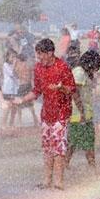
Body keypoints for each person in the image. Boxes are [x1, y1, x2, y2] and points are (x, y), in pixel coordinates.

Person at [18, 38, 76, 189]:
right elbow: (37, 91)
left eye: (41, 55)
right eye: (37, 55)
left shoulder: (62, 67)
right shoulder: (38, 68)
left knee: (59, 149)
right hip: (46, 114)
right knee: (47, 148)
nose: (39, 58)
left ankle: (59, 182)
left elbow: (72, 89)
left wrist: (61, 88)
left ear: (50, 53)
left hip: (61, 114)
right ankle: (46, 181)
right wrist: (22, 99)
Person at [66, 49, 99, 170]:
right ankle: (66, 164)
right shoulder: (79, 73)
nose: (95, 69)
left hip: (85, 113)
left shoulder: (83, 72)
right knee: (76, 142)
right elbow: (74, 93)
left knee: (83, 141)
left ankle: (91, 165)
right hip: (78, 114)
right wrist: (82, 112)